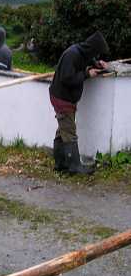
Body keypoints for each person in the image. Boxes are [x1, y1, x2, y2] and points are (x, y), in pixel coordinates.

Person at [49, 31, 109, 175]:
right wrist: (87, 74)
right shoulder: (72, 55)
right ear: (92, 48)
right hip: (62, 98)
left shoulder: (82, 53)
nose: (96, 56)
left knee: (63, 131)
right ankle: (74, 166)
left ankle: (60, 163)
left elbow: (86, 62)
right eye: (97, 53)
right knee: (69, 132)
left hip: (65, 98)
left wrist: (97, 64)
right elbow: (67, 78)